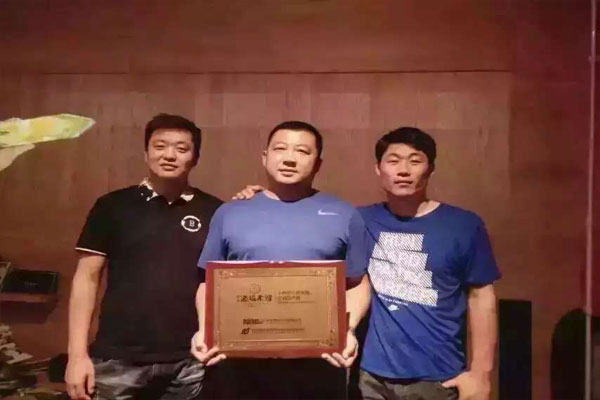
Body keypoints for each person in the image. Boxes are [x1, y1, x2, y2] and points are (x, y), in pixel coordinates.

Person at [191, 120, 357, 399]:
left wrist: (347, 331)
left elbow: (357, 282)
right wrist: (205, 330)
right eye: (280, 148)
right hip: (239, 364)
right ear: (265, 156)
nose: (290, 158)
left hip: (318, 364)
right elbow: (209, 282)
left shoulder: (344, 214)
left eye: (302, 151)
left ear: (318, 163)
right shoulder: (230, 212)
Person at [64, 114, 223, 400]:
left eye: (181, 148)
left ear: (195, 158)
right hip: (117, 358)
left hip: (190, 360)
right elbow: (86, 279)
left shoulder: (215, 211)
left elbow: (218, 283)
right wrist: (77, 356)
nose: (169, 155)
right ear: (146, 153)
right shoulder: (112, 206)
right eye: (160, 146)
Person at [345, 127, 500, 400]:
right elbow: (358, 282)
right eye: (393, 161)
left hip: (438, 378)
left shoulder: (464, 225)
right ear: (378, 168)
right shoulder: (361, 220)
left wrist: (481, 374)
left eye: (415, 161)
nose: (403, 170)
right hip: (372, 377)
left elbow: (482, 297)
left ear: (431, 169)